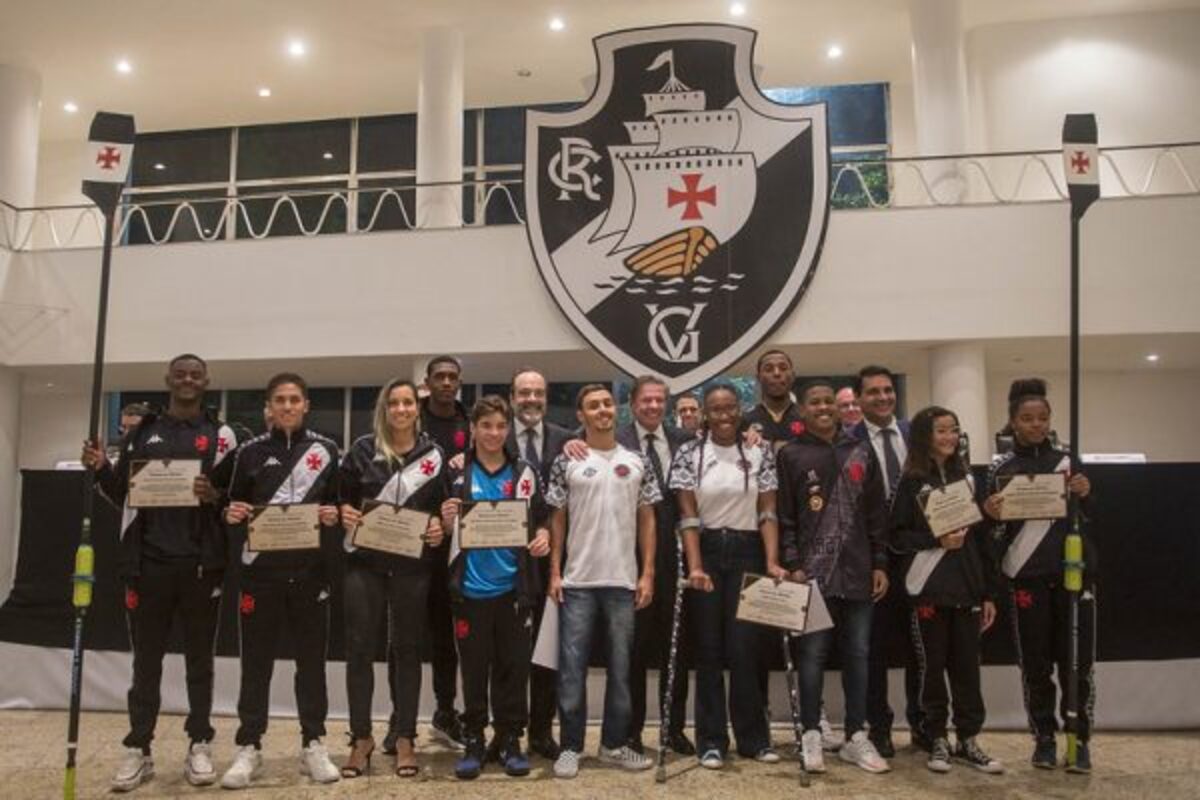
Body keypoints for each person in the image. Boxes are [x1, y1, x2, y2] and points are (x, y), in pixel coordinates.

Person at [82, 354, 238, 793]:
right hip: (148, 565)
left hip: (201, 566)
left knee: (199, 662)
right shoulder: (142, 432)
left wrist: (216, 494)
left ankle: (200, 742)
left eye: (195, 374)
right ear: (168, 379)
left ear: (206, 381)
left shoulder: (221, 435)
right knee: (145, 663)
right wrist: (101, 469)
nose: (188, 379)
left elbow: (235, 499)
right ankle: (139, 748)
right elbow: (122, 492)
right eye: (180, 373)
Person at [220, 373, 341, 789]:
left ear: (306, 404)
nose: (287, 406)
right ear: (268, 408)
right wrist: (231, 515)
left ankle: (314, 743)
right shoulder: (250, 453)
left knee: (311, 666)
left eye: (294, 399)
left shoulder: (326, 450)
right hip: (260, 577)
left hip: (311, 577)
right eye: (280, 400)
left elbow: (340, 506)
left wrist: (333, 515)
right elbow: (231, 506)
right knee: (256, 666)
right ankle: (249, 746)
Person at [774, 378, 891, 775]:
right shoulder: (790, 454)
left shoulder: (861, 449)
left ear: (842, 407)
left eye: (830, 402)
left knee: (858, 655)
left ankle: (857, 735)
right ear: (802, 410)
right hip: (812, 574)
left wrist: (880, 563)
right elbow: (785, 516)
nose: (824, 407)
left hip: (859, 571)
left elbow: (877, 514)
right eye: (815, 402)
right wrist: (792, 563)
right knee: (813, 656)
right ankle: (810, 733)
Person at [545, 384, 658, 778]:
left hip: (624, 582)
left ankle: (613, 745)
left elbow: (648, 517)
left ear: (618, 409)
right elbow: (556, 516)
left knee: (621, 670)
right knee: (572, 669)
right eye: (593, 406)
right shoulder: (568, 460)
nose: (602, 410)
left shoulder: (637, 460)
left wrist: (647, 572)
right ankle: (571, 747)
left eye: (607, 404)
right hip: (577, 582)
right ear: (581, 416)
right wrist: (555, 571)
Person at [983, 378, 1095, 773]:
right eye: (1027, 419)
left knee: (1076, 664)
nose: (1036, 425)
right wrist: (991, 514)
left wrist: (1085, 492)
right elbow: (992, 535)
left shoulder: (1068, 462)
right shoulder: (1002, 468)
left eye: (1042, 418)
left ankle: (1078, 739)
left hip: (1071, 578)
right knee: (1035, 665)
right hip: (1025, 578)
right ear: (1013, 422)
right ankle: (1044, 738)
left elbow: (1092, 518)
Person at [338, 378, 447, 778]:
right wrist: (345, 513)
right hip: (364, 565)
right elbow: (341, 499)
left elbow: (442, 509)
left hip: (412, 568)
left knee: (407, 650)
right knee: (359, 650)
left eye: (407, 403)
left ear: (417, 409)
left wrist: (439, 527)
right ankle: (361, 737)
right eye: (393, 403)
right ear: (384, 409)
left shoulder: (433, 454)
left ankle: (404, 737)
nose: (401, 409)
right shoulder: (362, 450)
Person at [671, 382, 781, 769]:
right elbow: (687, 516)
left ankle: (754, 739)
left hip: (749, 551)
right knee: (710, 650)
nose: (723, 415)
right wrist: (695, 565)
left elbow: (768, 511)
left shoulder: (758, 449)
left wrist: (771, 562)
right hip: (708, 551)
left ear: (740, 409)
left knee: (745, 648)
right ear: (704, 412)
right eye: (715, 409)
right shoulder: (689, 452)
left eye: (730, 408)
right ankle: (711, 741)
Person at [440, 395, 551, 779]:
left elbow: (540, 521)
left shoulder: (523, 472)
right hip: (469, 590)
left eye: (500, 426)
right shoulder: (457, 473)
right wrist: (446, 519)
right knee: (473, 671)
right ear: (473, 429)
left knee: (513, 669)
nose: (492, 433)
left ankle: (509, 739)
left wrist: (542, 537)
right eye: (485, 425)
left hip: (514, 591)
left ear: (508, 430)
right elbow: (442, 533)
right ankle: (473, 738)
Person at [890, 406, 1004, 775]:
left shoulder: (969, 478)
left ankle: (968, 738)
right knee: (931, 667)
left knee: (967, 667)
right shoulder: (910, 482)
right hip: (927, 587)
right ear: (925, 435)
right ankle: (934, 735)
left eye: (954, 430)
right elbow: (896, 537)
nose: (950, 437)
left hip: (967, 588)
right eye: (942, 431)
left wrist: (987, 592)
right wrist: (934, 539)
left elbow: (981, 540)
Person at [850, 364, 925, 757]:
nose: (882, 398)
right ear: (859, 400)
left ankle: (924, 725)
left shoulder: (917, 436)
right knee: (872, 649)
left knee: (920, 647)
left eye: (887, 391)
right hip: (871, 562)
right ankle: (878, 726)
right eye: (873, 392)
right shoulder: (849, 441)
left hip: (919, 557)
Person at [618, 376, 694, 756]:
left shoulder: (686, 441)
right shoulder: (616, 441)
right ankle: (631, 731)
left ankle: (673, 727)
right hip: (630, 560)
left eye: (659, 400)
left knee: (675, 650)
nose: (652, 406)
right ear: (632, 404)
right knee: (634, 651)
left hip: (678, 560)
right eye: (645, 400)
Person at [506, 367, 572, 759]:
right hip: (504, 559)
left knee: (547, 652)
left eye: (538, 393)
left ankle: (542, 731)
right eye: (524, 393)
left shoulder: (567, 441)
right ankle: (510, 729)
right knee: (509, 652)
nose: (531, 399)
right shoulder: (495, 438)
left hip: (552, 560)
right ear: (512, 397)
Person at [418, 355, 471, 749]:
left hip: (457, 545)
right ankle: (399, 723)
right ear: (428, 382)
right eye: (440, 377)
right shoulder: (410, 418)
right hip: (411, 542)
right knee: (404, 635)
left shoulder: (469, 424)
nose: (447, 383)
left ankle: (446, 711)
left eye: (453, 377)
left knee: (451, 635)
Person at [743, 350, 805, 450]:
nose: (777, 373)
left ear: (793, 376)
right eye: (768, 369)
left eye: (783, 368)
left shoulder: (806, 418)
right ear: (758, 378)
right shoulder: (745, 420)